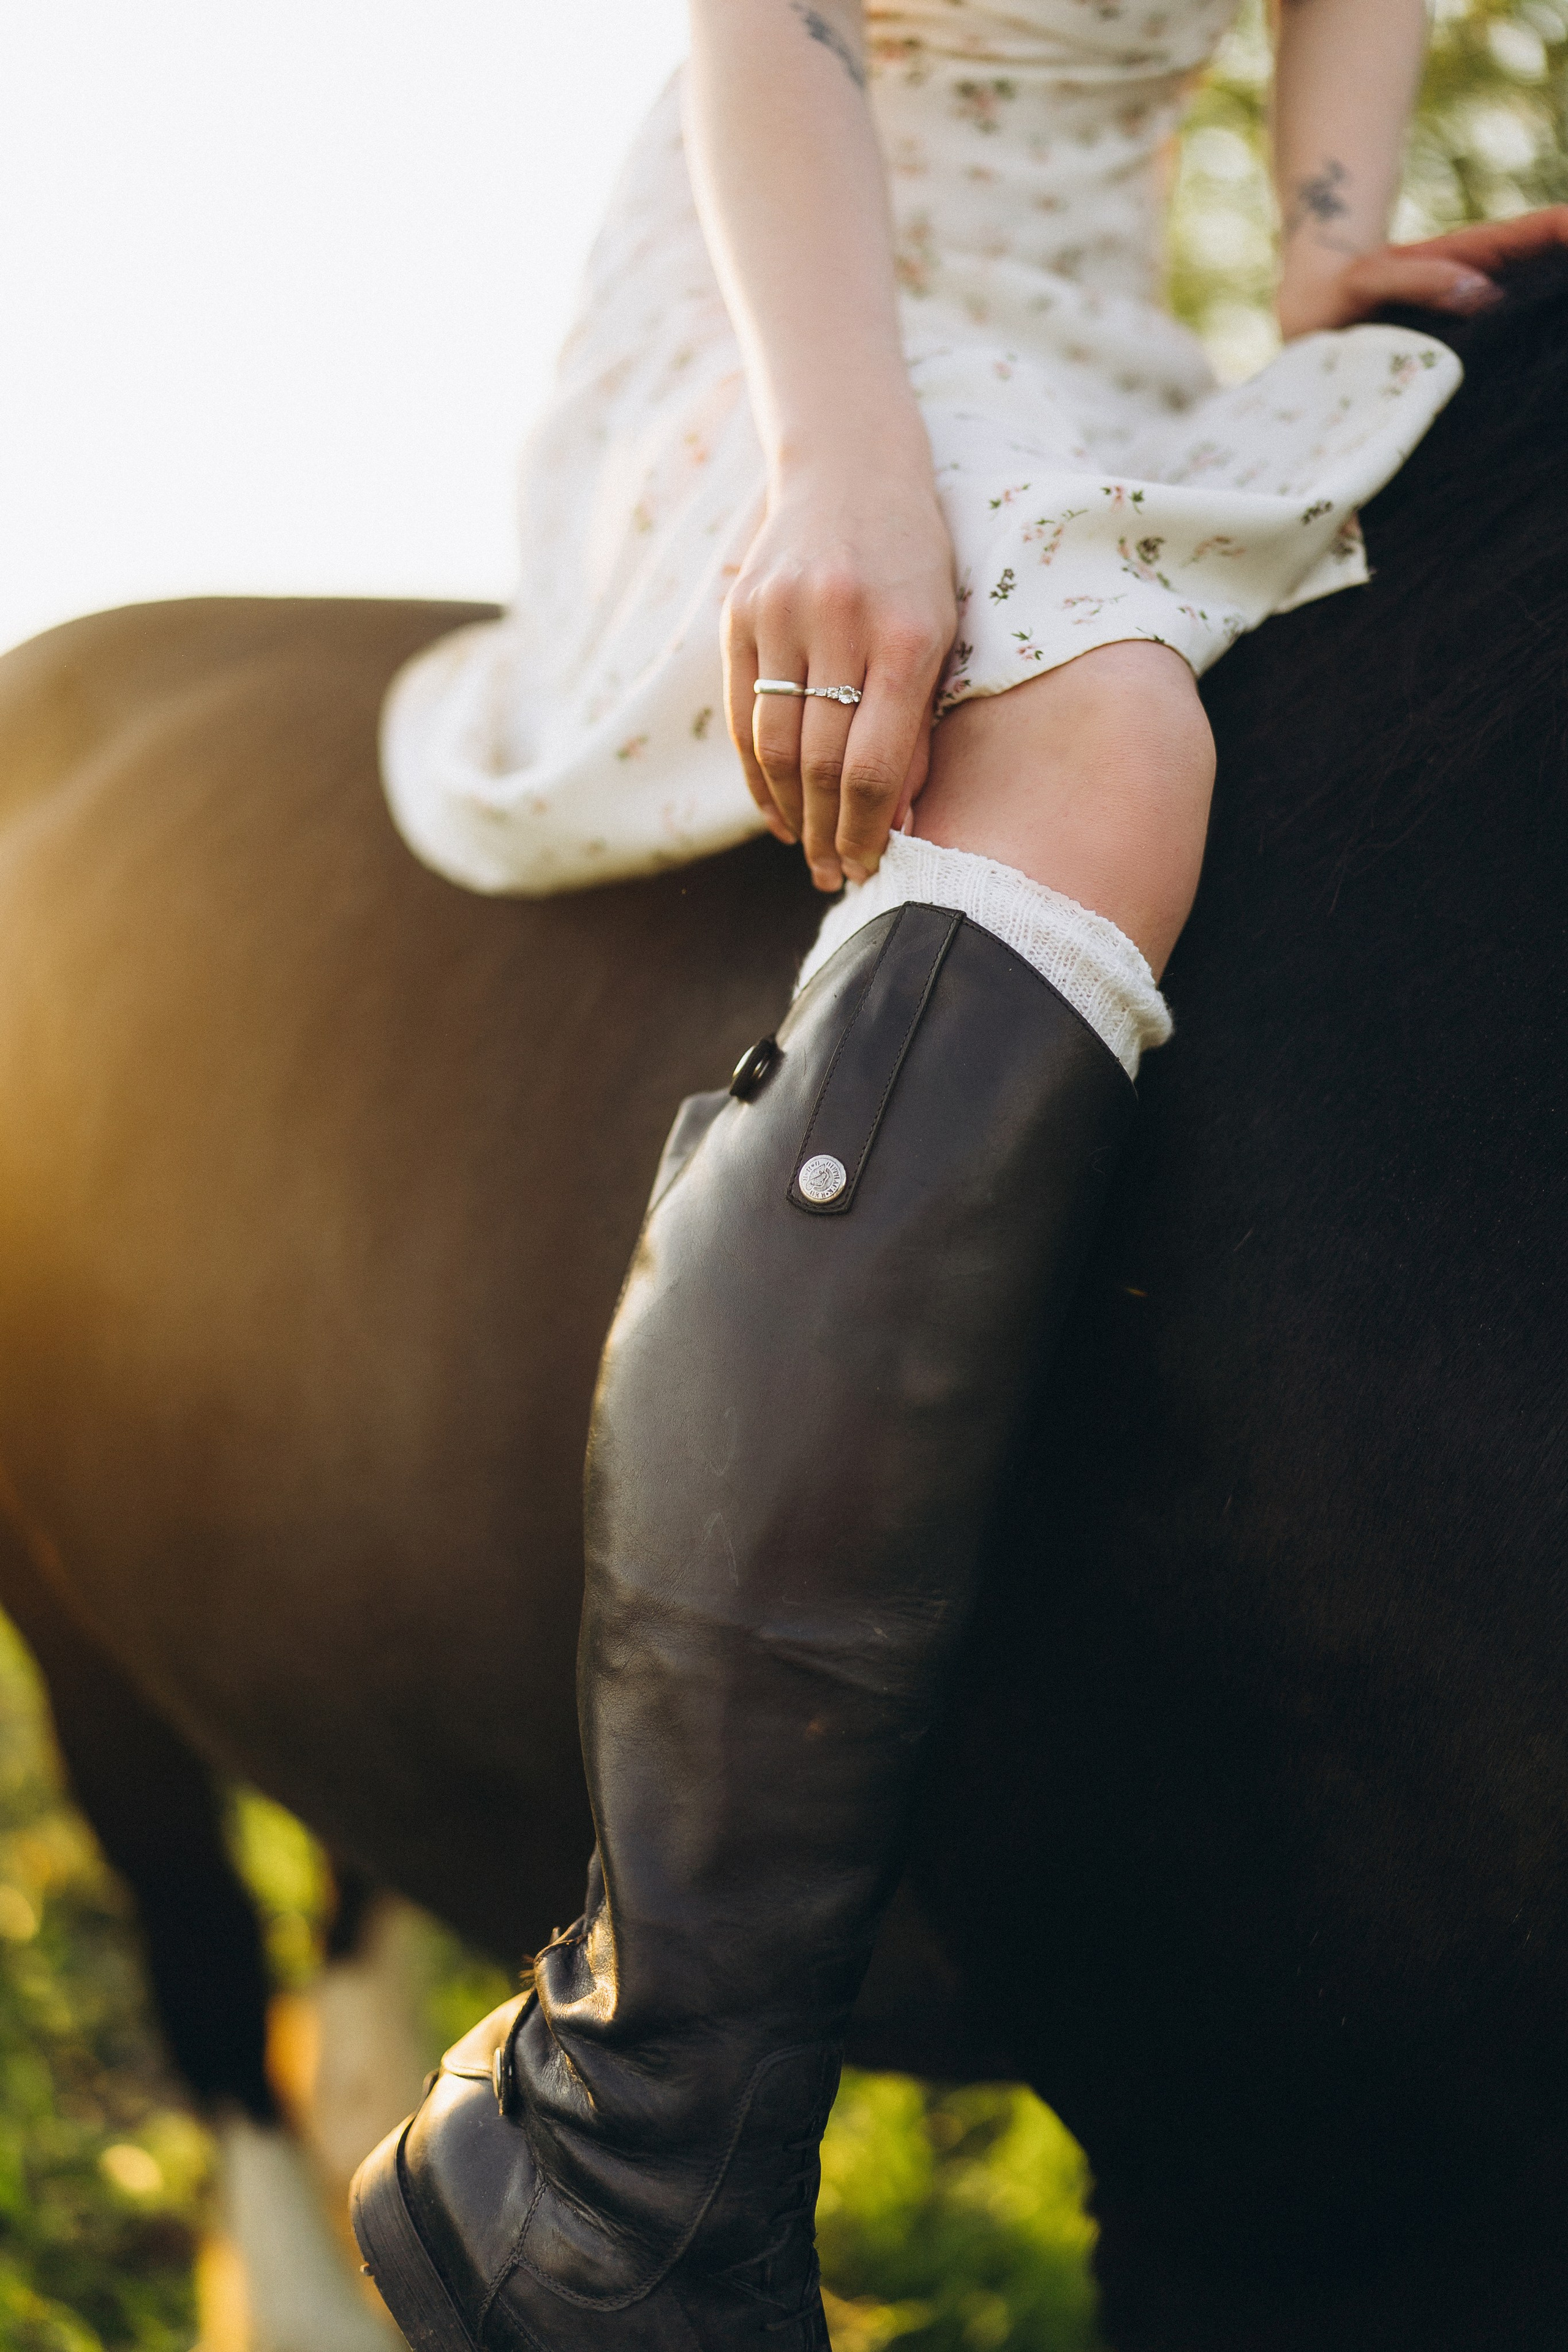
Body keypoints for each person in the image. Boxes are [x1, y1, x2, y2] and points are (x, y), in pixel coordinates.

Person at [352, 6, 1564, 2347]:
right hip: (792, 303)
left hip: (1102, 335)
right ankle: (625, 2132)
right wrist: (835, 452)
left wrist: (1333, 258)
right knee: (1095, 742)